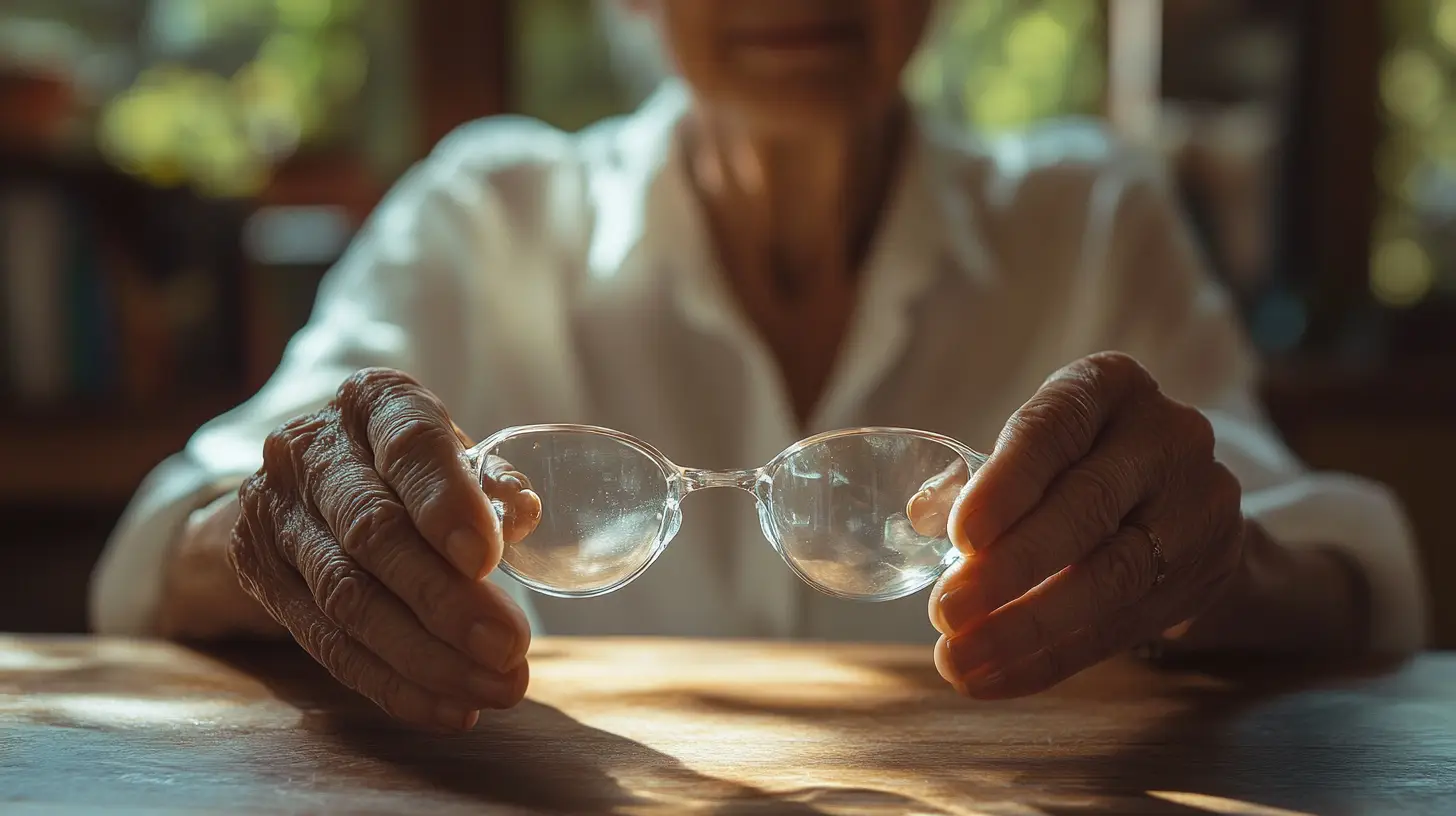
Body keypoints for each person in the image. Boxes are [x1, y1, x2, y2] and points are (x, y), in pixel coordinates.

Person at [91, 0, 1427, 730]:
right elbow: (175, 542)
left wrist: (1215, 567)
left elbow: (1346, 580)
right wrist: (298, 534)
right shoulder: (480, 218)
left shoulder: (1087, 221)